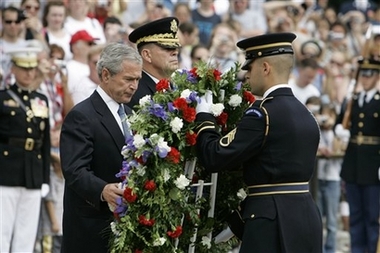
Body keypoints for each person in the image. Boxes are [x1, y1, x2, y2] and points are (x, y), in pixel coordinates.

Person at [194, 32, 323, 252]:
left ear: (265, 68)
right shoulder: (306, 113)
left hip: (270, 220)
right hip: (306, 216)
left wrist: (204, 118)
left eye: (249, 68)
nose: (246, 75)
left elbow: (214, 156)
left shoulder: (262, 114)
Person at [59, 42, 142, 253]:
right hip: (91, 229)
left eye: (137, 80)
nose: (134, 86)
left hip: (127, 228)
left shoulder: (132, 114)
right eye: (128, 79)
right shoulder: (82, 115)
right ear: (106, 75)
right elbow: (74, 170)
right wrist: (102, 190)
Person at [0, 47, 51, 253]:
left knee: (27, 232)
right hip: (6, 170)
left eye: (32, 69)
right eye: (23, 68)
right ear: (13, 68)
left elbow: (45, 141)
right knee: (2, 229)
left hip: (33, 172)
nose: (29, 73)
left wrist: (45, 178)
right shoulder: (2, 98)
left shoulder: (41, 99)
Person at [336, 58, 380, 253]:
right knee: (355, 215)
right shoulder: (352, 100)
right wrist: (340, 128)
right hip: (353, 164)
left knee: (372, 216)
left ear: (377, 76)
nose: (365, 78)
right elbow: (341, 121)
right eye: (363, 74)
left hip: (373, 165)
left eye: (369, 75)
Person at [127, 17, 180, 109]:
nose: (175, 52)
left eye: (175, 48)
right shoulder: (134, 92)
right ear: (147, 55)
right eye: (167, 48)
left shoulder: (176, 87)